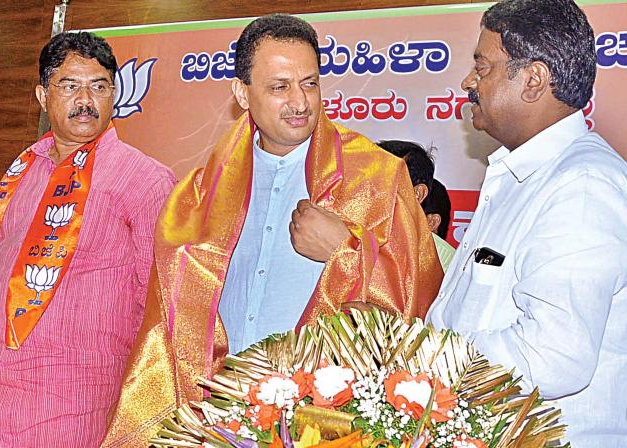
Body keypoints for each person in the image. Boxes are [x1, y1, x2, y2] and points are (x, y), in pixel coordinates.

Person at [104, 14, 442, 447]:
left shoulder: (376, 178)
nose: (300, 102)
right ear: (242, 94)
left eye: (310, 83)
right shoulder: (198, 195)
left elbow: (422, 300)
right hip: (217, 415)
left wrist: (348, 253)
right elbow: (167, 328)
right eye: (279, 87)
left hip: (327, 420)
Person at [0, 32, 175, 447]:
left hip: (75, 399)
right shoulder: (20, 173)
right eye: (69, 86)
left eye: (99, 86)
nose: (86, 99)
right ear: (42, 96)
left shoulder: (145, 180)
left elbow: (159, 304)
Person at [427, 0, 627, 445]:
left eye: (483, 68)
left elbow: (552, 354)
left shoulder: (583, 185)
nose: (468, 82)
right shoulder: (519, 175)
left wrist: (422, 357)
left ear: (534, 80)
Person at [377, 140, 455, 271]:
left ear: (418, 193)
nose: (370, 193)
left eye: (383, 184)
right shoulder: (350, 241)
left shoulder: (445, 261)